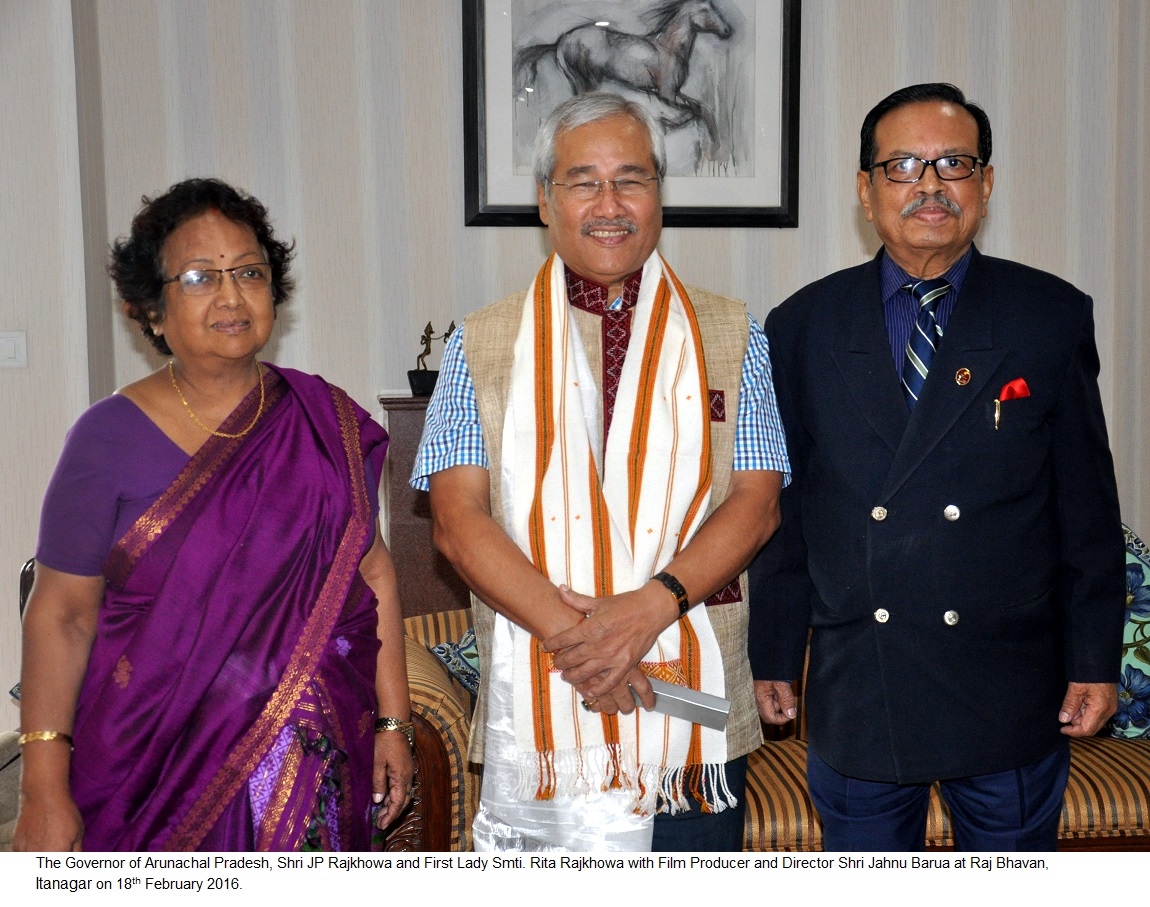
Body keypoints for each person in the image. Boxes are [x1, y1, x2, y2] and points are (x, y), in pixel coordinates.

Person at [411, 92, 789, 852]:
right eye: (584, 181)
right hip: (544, 700)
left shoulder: (732, 330)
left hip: (694, 711)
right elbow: (456, 521)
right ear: (546, 200)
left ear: (659, 196)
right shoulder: (479, 343)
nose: (609, 204)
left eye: (633, 179)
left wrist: (649, 609)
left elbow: (756, 502)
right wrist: (581, 643)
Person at [751, 83, 1124, 851]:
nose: (929, 184)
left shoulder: (1048, 314)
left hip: (1008, 683)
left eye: (953, 162)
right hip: (863, 682)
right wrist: (775, 653)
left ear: (985, 182)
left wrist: (1095, 658)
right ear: (866, 190)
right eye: (902, 166)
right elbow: (786, 514)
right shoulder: (802, 325)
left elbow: (1084, 506)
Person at [14, 178, 413, 851]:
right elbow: (62, 612)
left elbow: (372, 573)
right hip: (148, 776)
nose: (231, 296)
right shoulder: (106, 437)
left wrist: (392, 723)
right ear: (151, 308)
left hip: (312, 773)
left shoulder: (324, 423)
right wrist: (42, 786)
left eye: (249, 272)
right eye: (200, 276)